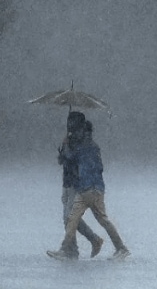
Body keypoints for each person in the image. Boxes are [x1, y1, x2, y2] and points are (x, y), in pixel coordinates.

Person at [48, 121, 130, 260]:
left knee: (79, 219)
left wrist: (66, 147)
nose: (75, 133)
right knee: (76, 219)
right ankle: (67, 248)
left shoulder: (84, 147)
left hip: (90, 188)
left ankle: (120, 248)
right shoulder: (90, 146)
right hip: (88, 189)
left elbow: (69, 158)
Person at [56, 111, 103, 258]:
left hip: (77, 182)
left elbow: (73, 159)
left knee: (69, 217)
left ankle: (71, 248)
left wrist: (66, 149)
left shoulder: (82, 139)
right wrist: (63, 148)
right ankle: (82, 244)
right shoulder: (71, 138)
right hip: (68, 181)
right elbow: (62, 161)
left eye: (71, 121)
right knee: (69, 216)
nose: (69, 124)